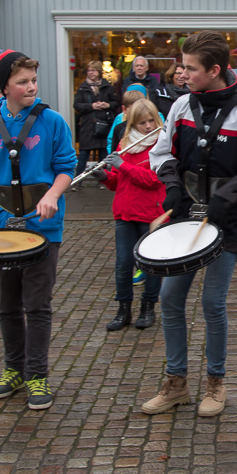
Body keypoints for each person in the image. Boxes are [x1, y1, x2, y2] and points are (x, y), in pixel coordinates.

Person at [142, 31, 237, 417]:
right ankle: (176, 383)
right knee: (170, 298)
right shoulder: (182, 106)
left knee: (211, 302)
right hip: (186, 220)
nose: (182, 74)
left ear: (215, 70)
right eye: (181, 66)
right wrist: (171, 183)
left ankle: (216, 383)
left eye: (190, 68)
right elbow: (162, 151)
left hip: (228, 226)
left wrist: (230, 193)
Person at [0, 50, 76, 411]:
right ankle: (13, 369)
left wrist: (53, 195)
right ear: (5, 87)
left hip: (43, 227)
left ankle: (37, 374)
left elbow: (65, 166)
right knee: (7, 304)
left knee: (37, 304)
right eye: (22, 82)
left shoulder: (53, 121)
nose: (31, 87)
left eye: (33, 80)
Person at [96, 98, 165, 332]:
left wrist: (123, 166)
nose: (147, 126)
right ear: (132, 124)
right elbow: (117, 182)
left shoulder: (161, 146)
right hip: (125, 212)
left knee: (151, 264)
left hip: (151, 213)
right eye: (141, 123)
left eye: (150, 121)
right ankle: (123, 310)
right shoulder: (125, 144)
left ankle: (148, 307)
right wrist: (103, 176)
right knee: (123, 264)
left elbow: (154, 180)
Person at [72, 61, 119, 177]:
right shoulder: (82, 88)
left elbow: (116, 102)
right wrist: (91, 106)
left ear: (99, 72)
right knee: (83, 154)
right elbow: (77, 105)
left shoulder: (107, 87)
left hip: (103, 124)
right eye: (89, 70)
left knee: (102, 154)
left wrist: (106, 105)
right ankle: (78, 180)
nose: (91, 73)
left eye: (94, 70)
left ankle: (101, 179)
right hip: (87, 124)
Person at [106, 89, 147, 155]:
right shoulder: (120, 128)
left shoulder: (149, 126)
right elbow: (114, 151)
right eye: (133, 109)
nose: (136, 112)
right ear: (124, 109)